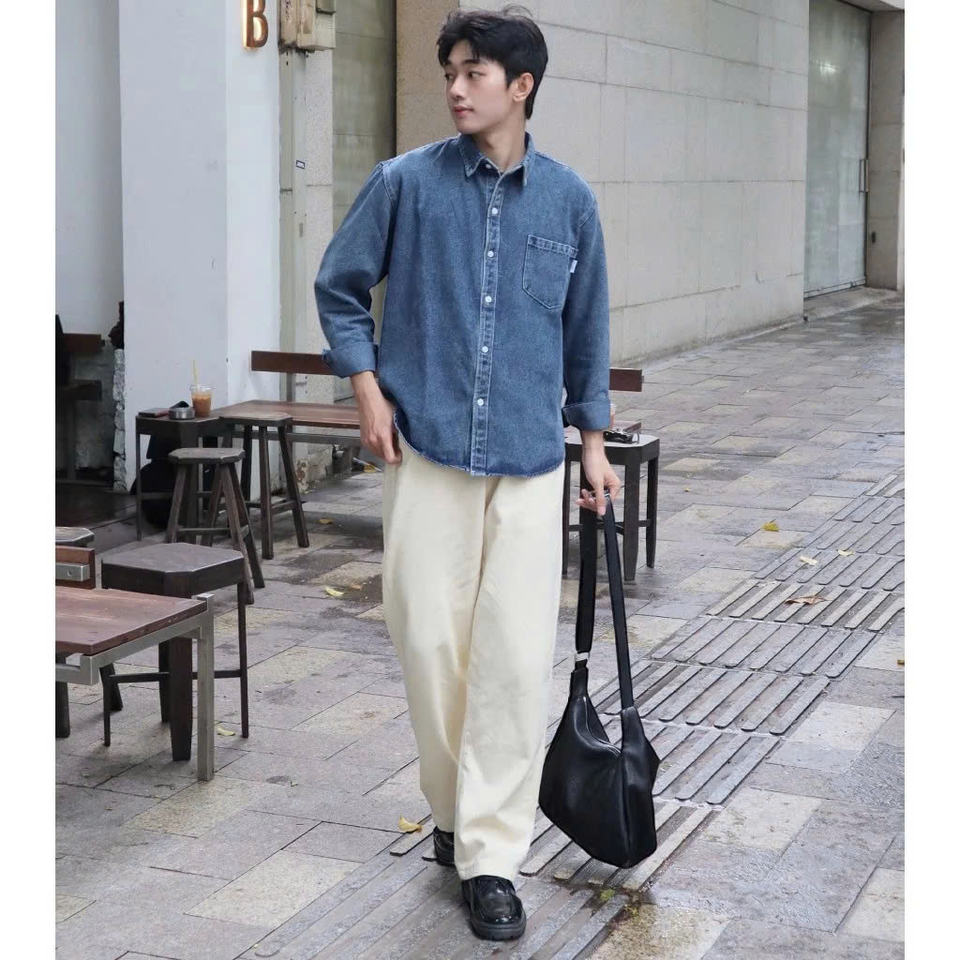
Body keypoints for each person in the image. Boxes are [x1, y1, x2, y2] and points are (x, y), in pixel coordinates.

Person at [313, 4, 620, 942]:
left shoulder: (569, 200)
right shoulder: (404, 183)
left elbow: (586, 331)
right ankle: (451, 810)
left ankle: (491, 857)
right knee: (430, 646)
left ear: (521, 86)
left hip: (529, 459)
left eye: (474, 73)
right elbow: (339, 287)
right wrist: (366, 390)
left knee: (514, 662)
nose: (455, 87)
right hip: (429, 450)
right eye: (450, 71)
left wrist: (593, 444)